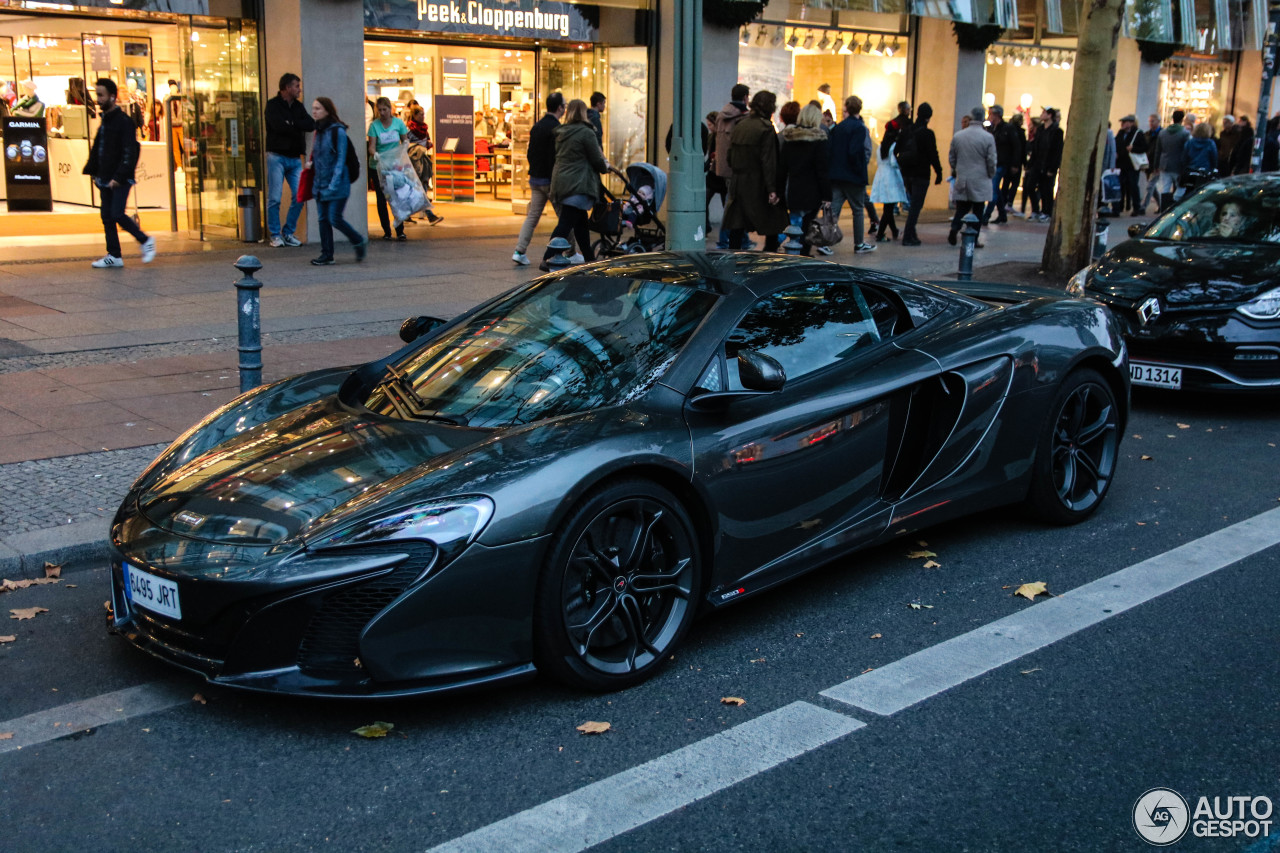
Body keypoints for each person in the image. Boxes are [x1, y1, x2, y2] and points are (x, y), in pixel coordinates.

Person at [85, 78, 155, 269]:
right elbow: (100, 149)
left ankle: (145, 240)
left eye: (101, 95)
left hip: (119, 177)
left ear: (112, 97)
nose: (98, 99)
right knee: (107, 215)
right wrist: (95, 172)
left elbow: (129, 151)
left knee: (116, 213)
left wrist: (119, 176)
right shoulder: (107, 121)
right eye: (97, 95)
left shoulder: (123, 122)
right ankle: (114, 254)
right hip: (106, 176)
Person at [540, 98, 609, 271]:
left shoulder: (562, 132)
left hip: (561, 181)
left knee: (580, 223)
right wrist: (605, 167)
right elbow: (596, 159)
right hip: (578, 183)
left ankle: (589, 259)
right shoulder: (586, 133)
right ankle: (547, 257)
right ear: (584, 113)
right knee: (566, 222)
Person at [723, 90, 788, 252]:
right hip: (757, 182)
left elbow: (729, 156)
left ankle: (733, 257)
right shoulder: (765, 128)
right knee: (772, 221)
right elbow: (768, 161)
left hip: (739, 182)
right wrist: (772, 189)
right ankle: (769, 258)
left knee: (737, 224)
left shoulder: (741, 125)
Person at [309, 96, 366, 265]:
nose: (314, 111)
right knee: (322, 219)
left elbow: (340, 160)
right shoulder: (317, 131)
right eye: (313, 108)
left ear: (327, 110)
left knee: (334, 218)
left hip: (338, 183)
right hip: (320, 183)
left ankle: (358, 240)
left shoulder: (337, 131)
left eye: (318, 108)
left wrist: (333, 185)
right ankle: (327, 254)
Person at [513, 92, 568, 266]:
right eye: (564, 105)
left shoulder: (537, 126)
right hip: (550, 180)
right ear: (559, 107)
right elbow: (555, 157)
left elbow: (531, 152)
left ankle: (520, 250)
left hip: (536, 178)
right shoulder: (557, 128)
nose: (565, 108)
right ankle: (572, 250)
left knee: (532, 216)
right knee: (565, 217)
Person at [263, 72, 315, 248]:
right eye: (296, 86)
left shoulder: (298, 107)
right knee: (275, 198)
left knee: (300, 195)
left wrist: (291, 123)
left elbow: (310, 124)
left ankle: (288, 232)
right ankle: (275, 234)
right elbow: (278, 126)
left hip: (294, 158)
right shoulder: (273, 105)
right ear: (286, 88)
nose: (299, 89)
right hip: (276, 156)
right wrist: (294, 124)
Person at [778, 103, 831, 256]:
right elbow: (822, 170)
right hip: (812, 191)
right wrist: (827, 195)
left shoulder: (790, 138)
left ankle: (782, 246)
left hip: (793, 189)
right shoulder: (819, 139)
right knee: (807, 226)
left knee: (794, 223)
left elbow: (783, 168)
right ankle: (802, 255)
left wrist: (778, 191)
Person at [828, 94, 876, 254]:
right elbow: (856, 151)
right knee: (858, 209)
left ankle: (825, 241)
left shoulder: (839, 127)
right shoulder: (859, 128)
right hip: (853, 176)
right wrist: (858, 169)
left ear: (847, 108)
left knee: (834, 209)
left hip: (837, 174)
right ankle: (859, 243)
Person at [948, 106, 997, 247]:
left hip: (963, 177)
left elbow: (952, 157)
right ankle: (973, 239)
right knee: (978, 210)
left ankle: (954, 228)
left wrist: (957, 169)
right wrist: (990, 173)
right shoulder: (987, 137)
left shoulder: (959, 136)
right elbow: (991, 160)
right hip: (980, 178)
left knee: (961, 208)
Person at [897, 102, 944, 246]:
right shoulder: (927, 134)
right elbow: (933, 154)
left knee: (913, 205)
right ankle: (908, 235)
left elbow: (897, 148)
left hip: (907, 172)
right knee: (916, 207)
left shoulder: (907, 130)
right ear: (929, 117)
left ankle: (912, 234)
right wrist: (939, 171)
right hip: (921, 173)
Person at [368, 96, 412, 241]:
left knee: (396, 196)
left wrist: (405, 145)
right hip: (378, 166)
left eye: (384, 109)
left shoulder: (398, 123)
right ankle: (386, 230)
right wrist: (376, 155)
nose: (382, 113)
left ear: (390, 109)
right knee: (381, 199)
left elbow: (405, 139)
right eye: (379, 110)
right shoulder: (374, 126)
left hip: (394, 165)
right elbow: (372, 147)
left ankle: (400, 230)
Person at [714, 84, 751, 249]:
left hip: (722, 168)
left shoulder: (722, 115)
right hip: (737, 168)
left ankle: (740, 239)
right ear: (745, 97)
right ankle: (726, 240)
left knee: (730, 204)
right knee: (733, 206)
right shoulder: (743, 117)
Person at [982, 104, 1015, 225]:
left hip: (1002, 162)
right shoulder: (991, 129)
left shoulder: (1007, 129)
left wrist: (1014, 163)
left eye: (991, 114)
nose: (989, 117)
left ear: (997, 115)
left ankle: (986, 215)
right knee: (996, 189)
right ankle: (1002, 214)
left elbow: (1015, 146)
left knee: (993, 188)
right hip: (993, 162)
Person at [1150, 109, 1189, 211]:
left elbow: (1158, 150)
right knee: (1180, 187)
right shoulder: (1185, 133)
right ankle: (1175, 208)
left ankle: (1163, 209)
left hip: (1165, 164)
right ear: (1182, 119)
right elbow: (1186, 151)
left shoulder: (1163, 133)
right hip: (1179, 165)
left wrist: (1156, 166)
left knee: (1165, 188)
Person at [1029, 107, 1063, 222]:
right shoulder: (1040, 130)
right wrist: (1031, 164)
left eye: (1044, 113)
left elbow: (1057, 151)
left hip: (1048, 165)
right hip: (1037, 164)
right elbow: (1035, 148)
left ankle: (1046, 211)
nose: (1041, 114)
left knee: (1046, 189)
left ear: (1049, 115)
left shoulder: (1057, 131)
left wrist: (1053, 168)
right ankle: (1035, 210)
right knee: (1029, 186)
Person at [1115, 114, 1148, 216]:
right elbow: (1117, 144)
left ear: (1131, 123)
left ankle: (1136, 207)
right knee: (1120, 185)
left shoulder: (1138, 133)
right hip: (1121, 164)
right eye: (1122, 123)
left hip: (1132, 165)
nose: (1123, 124)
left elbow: (1144, 147)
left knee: (1133, 185)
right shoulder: (1120, 133)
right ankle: (1119, 207)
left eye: (1125, 122)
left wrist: (1133, 149)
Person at [999, 111, 1025, 221]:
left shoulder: (1007, 130)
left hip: (1008, 162)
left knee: (1006, 183)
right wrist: (1017, 163)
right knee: (1014, 183)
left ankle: (1004, 202)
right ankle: (1008, 203)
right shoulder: (1017, 132)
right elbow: (1019, 148)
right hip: (1014, 162)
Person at [1182, 121, 1218, 190]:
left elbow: (1184, 157)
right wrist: (1213, 168)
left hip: (1191, 170)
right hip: (1205, 171)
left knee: (1189, 190)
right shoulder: (1210, 143)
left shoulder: (1190, 142)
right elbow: (1214, 158)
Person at [1140, 113, 1163, 213]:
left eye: (1153, 121)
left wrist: (1159, 165)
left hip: (1157, 164)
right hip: (1148, 163)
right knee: (1152, 187)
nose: (1151, 123)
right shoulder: (1147, 135)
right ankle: (1161, 205)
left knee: (1150, 185)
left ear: (1158, 122)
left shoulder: (1162, 134)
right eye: (1150, 121)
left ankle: (1143, 206)